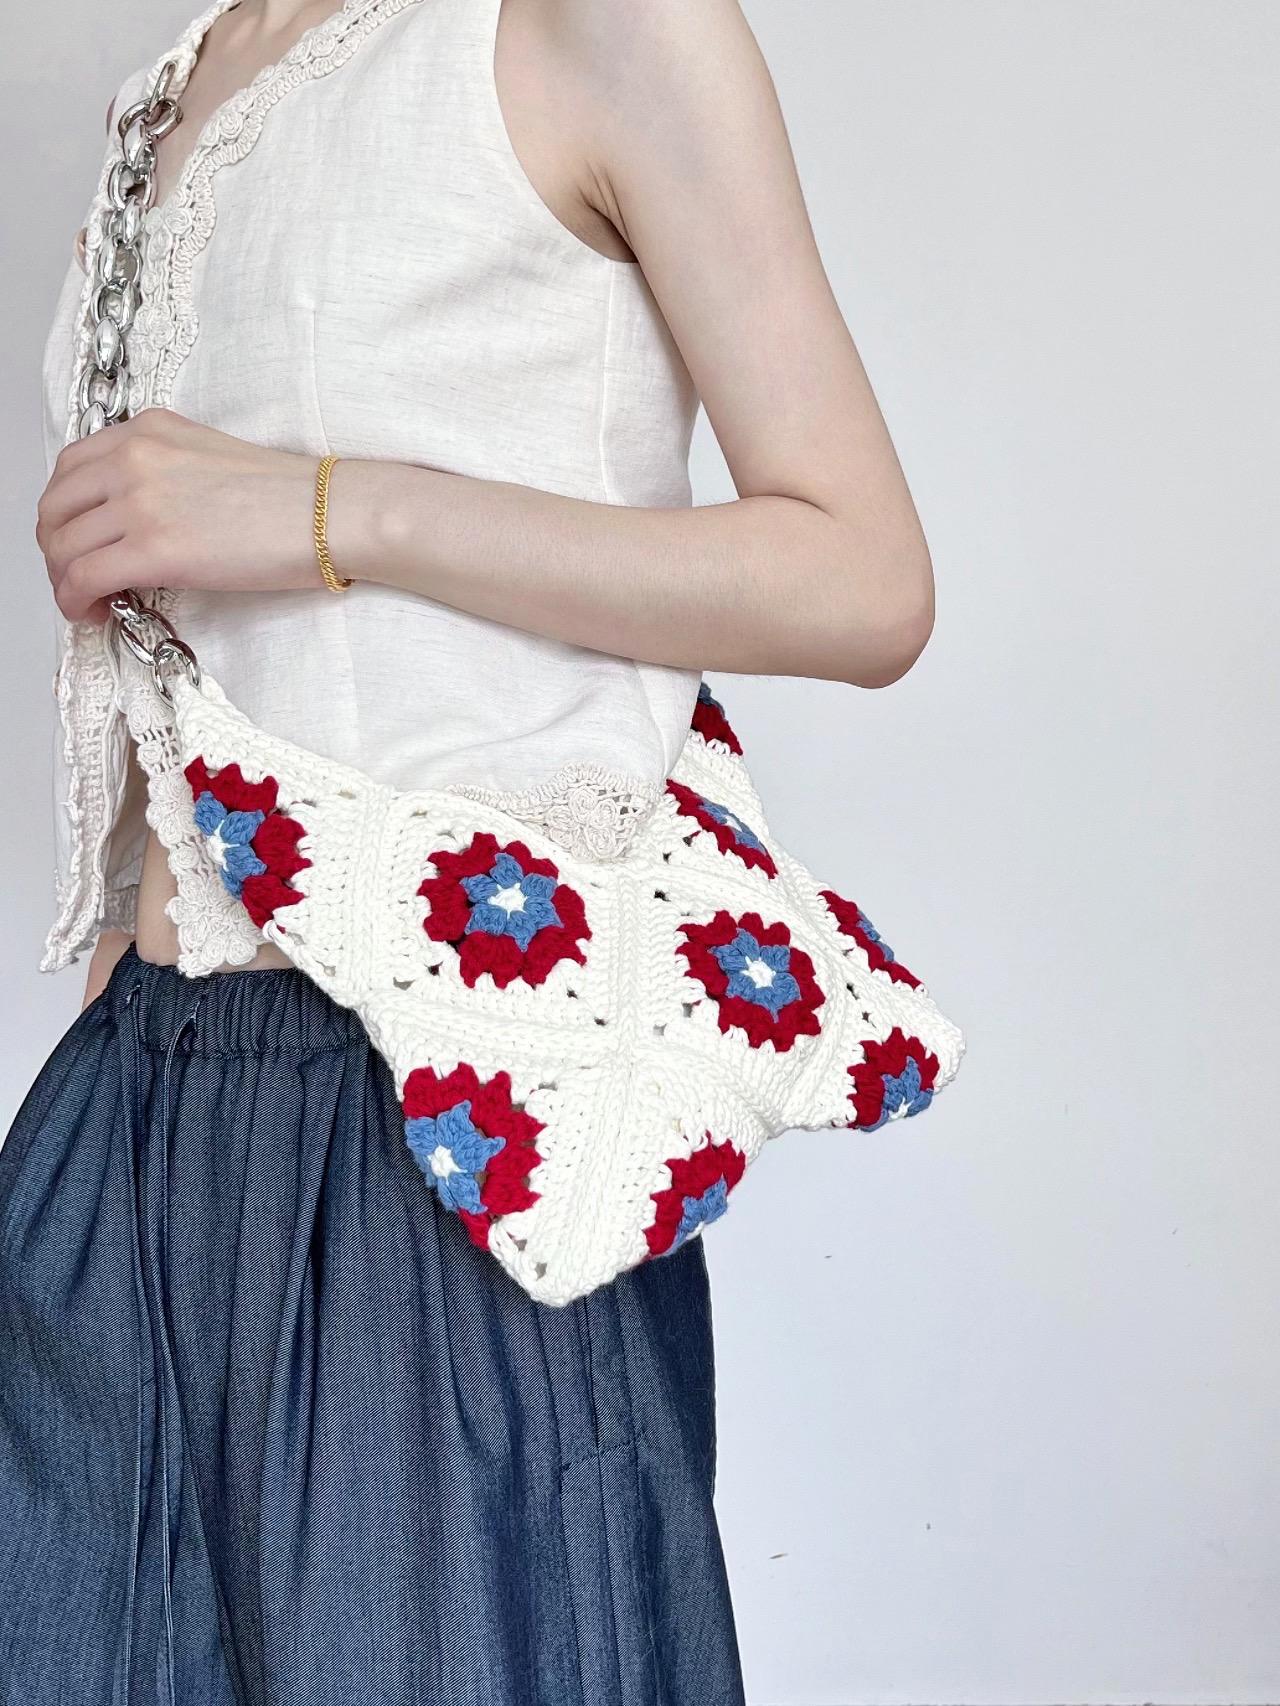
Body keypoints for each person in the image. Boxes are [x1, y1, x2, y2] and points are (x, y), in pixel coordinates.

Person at [1, 0, 935, 1700]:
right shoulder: (171, 89)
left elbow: (864, 577)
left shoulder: (588, 25)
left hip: (443, 1114)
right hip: (136, 1104)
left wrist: (330, 505)